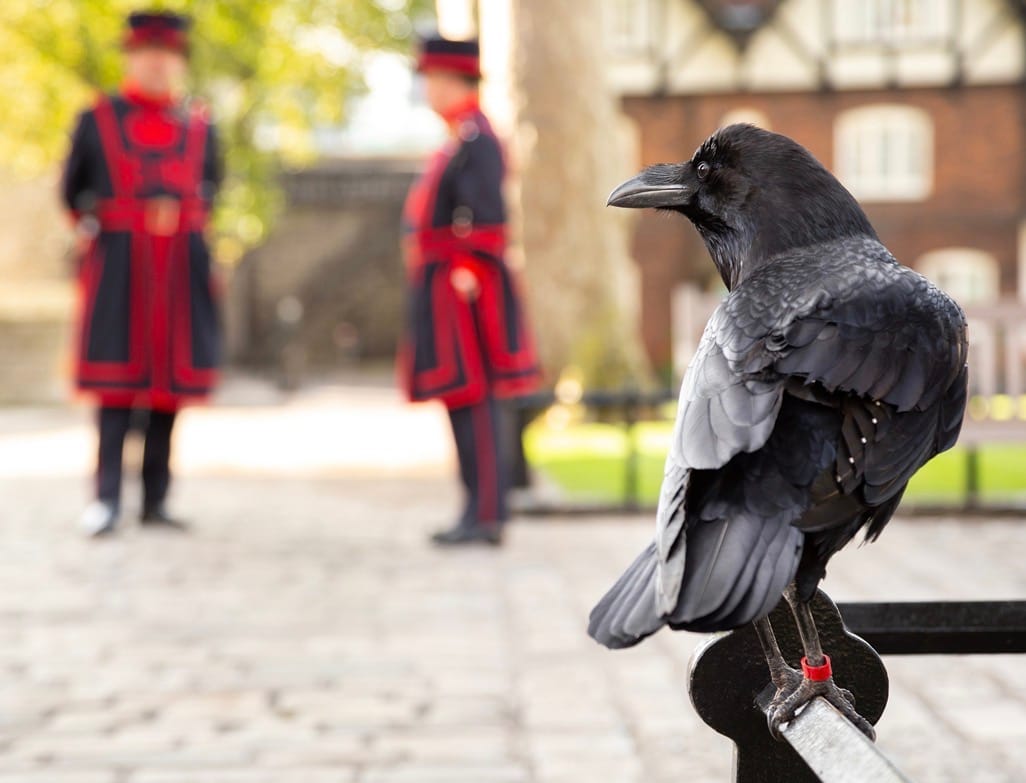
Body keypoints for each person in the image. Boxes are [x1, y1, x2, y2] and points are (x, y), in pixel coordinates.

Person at [62, 10, 222, 537]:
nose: (157, 65)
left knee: (167, 390)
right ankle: (106, 498)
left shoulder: (200, 125)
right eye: (146, 54)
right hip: (120, 273)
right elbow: (72, 193)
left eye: (166, 55)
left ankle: (156, 498)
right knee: (115, 388)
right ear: (131, 58)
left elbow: (213, 190)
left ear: (178, 61)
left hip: (177, 272)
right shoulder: (98, 119)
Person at [399, 35, 540, 547]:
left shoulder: (477, 138)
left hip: (464, 290)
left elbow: (484, 219)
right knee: (462, 399)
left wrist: (464, 270)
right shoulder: (461, 136)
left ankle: (485, 514)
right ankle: (476, 508)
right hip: (448, 286)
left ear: (451, 80)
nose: (428, 90)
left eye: (432, 80)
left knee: (474, 397)